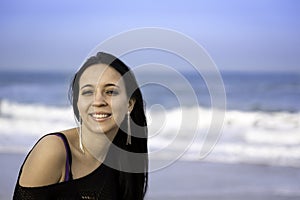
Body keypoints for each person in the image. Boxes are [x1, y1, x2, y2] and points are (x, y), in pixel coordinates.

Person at [13, 52, 148, 199]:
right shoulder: (53, 151)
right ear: (78, 103)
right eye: (88, 92)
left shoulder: (125, 154)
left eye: (110, 91)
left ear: (129, 104)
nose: (98, 101)